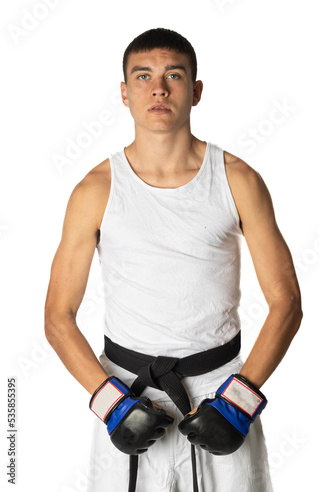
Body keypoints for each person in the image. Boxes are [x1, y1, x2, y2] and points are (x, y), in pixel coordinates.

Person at [44, 27, 303, 492]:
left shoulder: (238, 180)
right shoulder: (94, 190)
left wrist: (238, 403)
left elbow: (286, 303)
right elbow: (57, 318)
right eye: (142, 76)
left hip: (222, 392)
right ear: (124, 93)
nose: (158, 88)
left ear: (196, 90)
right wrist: (111, 404)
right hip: (127, 395)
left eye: (174, 75)